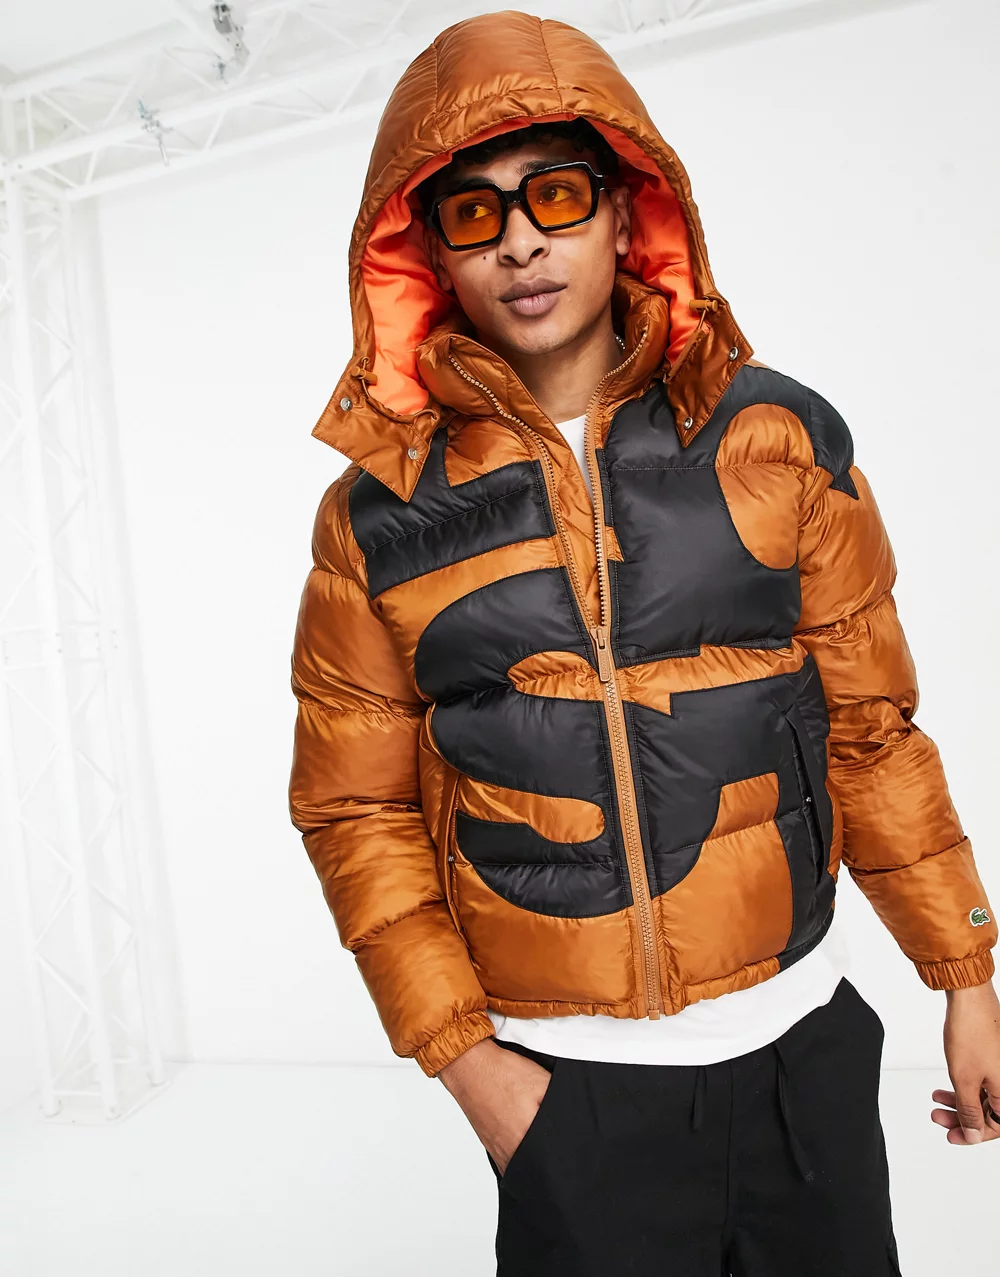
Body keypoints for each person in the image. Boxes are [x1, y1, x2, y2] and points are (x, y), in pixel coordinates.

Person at [287, 12, 999, 1274]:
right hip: (567, 1091)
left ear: (627, 215)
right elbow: (355, 810)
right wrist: (474, 1070)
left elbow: (870, 729)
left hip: (803, 1054)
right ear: (429, 255)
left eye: (556, 195)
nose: (520, 239)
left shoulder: (776, 439)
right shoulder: (377, 517)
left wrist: (965, 974)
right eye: (474, 212)